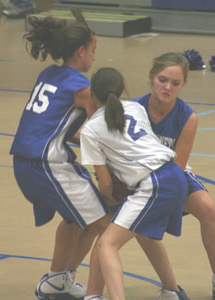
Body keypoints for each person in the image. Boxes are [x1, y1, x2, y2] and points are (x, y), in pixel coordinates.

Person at [9, 16, 110, 300]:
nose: (94, 55)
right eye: (93, 49)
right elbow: (102, 129)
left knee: (77, 219)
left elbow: (57, 127)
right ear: (81, 51)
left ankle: (57, 280)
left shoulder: (48, 75)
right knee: (107, 225)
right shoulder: (81, 87)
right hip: (47, 163)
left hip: (24, 161)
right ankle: (94, 293)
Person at [133, 52, 215, 300]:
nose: (167, 87)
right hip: (136, 180)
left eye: (175, 83)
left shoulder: (187, 117)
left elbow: (178, 166)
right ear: (152, 77)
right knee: (137, 228)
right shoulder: (133, 110)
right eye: (162, 79)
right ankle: (170, 288)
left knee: (208, 208)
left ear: (183, 85)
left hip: (171, 177)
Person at [80, 67, 189, 300]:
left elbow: (106, 183)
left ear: (92, 95)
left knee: (107, 244)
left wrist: (109, 199)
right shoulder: (137, 107)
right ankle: (173, 292)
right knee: (144, 234)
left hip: (154, 183)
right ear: (122, 90)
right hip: (175, 176)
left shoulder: (90, 129)